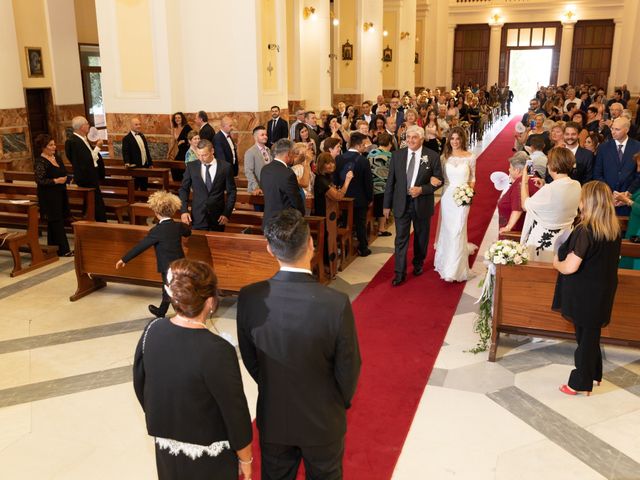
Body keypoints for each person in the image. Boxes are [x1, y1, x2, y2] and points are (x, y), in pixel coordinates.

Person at [236, 209, 361, 480]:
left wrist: (273, 383)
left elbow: (251, 359)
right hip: (323, 419)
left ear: (270, 249)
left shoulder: (249, 297)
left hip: (275, 416)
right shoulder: (335, 303)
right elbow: (348, 367)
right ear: (312, 244)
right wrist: (336, 402)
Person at [133, 259, 253, 479]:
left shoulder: (152, 330)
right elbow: (234, 412)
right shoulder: (218, 350)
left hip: (167, 446)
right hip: (210, 455)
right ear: (210, 301)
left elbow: (140, 384)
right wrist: (246, 458)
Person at [553, 181, 622, 396]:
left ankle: (580, 382)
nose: (580, 202)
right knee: (590, 334)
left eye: (582, 198)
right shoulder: (613, 228)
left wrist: (556, 262)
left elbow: (571, 266)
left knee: (586, 337)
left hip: (584, 292)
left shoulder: (586, 230)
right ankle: (594, 374)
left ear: (589, 202)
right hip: (603, 289)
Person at [383, 125, 443, 286]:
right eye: (408, 137)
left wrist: (422, 189)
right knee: (401, 239)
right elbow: (390, 182)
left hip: (422, 203)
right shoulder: (397, 156)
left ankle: (418, 263)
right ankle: (399, 273)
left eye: (414, 137)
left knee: (421, 237)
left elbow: (438, 180)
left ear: (421, 139)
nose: (410, 140)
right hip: (401, 203)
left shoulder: (432, 156)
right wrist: (386, 205)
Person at [116, 191, 191, 317]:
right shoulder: (178, 226)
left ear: (156, 212)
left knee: (170, 289)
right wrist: (187, 226)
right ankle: (162, 311)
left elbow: (141, 246)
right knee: (170, 288)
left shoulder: (156, 231)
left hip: (166, 267)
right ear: (173, 210)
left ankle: (183, 315)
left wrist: (124, 259)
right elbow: (188, 232)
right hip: (180, 264)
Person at [520, 147, 582, 261]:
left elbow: (525, 205)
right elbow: (560, 199)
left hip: (543, 243)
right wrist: (544, 186)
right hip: (565, 239)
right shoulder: (576, 184)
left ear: (552, 165)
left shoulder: (549, 190)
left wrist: (524, 180)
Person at [434, 127, 477, 282]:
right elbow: (441, 178)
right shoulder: (444, 157)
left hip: (463, 197)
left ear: (462, 140)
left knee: (458, 230)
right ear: (448, 140)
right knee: (448, 229)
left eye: (458, 138)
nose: (455, 142)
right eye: (452, 138)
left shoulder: (470, 157)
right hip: (448, 197)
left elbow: (473, 178)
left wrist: (468, 193)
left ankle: (456, 268)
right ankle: (446, 263)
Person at [179, 140, 236, 231]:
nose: (201, 158)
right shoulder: (191, 166)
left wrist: (226, 213)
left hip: (218, 217)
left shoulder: (225, 167)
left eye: (204, 155)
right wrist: (184, 211)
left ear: (212, 151)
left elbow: (232, 192)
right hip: (198, 215)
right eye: (198, 155)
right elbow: (183, 189)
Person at [334, 132, 374, 256]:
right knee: (360, 224)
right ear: (359, 145)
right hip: (359, 198)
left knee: (345, 222)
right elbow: (368, 182)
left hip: (343, 198)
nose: (365, 146)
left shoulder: (339, 158)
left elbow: (335, 179)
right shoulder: (363, 160)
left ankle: (345, 247)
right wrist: (370, 198)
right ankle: (363, 248)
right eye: (364, 144)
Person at [33, 134, 72, 257]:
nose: (54, 147)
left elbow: (63, 172)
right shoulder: (40, 162)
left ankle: (53, 247)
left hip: (60, 193)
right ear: (43, 147)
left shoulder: (57, 158)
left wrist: (66, 178)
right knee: (56, 221)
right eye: (51, 145)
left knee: (55, 222)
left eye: (54, 144)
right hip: (48, 196)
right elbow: (40, 180)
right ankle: (64, 250)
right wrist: (55, 181)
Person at [593, 117, 640, 215]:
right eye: (612, 128)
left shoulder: (637, 147)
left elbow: (638, 175)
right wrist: (610, 193)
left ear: (627, 130)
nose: (613, 132)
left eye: (617, 129)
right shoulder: (603, 148)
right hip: (606, 200)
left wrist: (628, 193)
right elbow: (597, 173)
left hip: (628, 201)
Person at [65, 115, 107, 222]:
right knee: (95, 202)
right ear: (81, 127)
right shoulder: (75, 142)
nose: (89, 126)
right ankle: (98, 224)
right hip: (86, 176)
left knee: (92, 202)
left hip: (90, 175)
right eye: (87, 124)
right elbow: (87, 161)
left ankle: (92, 221)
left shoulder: (82, 139)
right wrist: (98, 147)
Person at [260, 138, 305, 228]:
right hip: (283, 224)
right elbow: (295, 200)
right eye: (293, 154)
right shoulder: (288, 174)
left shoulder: (265, 169)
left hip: (268, 221)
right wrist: (301, 214)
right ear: (288, 154)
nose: (294, 157)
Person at [498, 152, 539, 234]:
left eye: (510, 168)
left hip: (516, 231)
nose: (509, 170)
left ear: (517, 170)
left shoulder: (520, 183)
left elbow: (517, 208)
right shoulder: (534, 176)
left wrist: (508, 227)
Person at [368, 132, 393, 236]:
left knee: (375, 207)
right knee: (384, 207)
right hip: (384, 186)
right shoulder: (390, 156)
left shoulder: (371, 153)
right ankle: (381, 229)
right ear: (390, 143)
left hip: (371, 185)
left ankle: (372, 226)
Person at [618, 152, 640, 270]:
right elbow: (635, 195)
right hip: (634, 227)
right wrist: (624, 197)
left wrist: (628, 201)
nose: (637, 170)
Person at [122, 117, 153, 190]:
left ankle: (143, 200)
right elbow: (125, 152)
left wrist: (150, 163)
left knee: (144, 185)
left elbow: (146, 150)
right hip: (135, 166)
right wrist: (127, 162)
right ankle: (135, 200)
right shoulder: (127, 138)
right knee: (135, 185)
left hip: (144, 165)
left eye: (139, 124)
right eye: (136, 124)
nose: (138, 126)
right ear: (131, 126)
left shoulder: (142, 135)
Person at [243, 126, 271, 196]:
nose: (265, 137)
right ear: (255, 137)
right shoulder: (250, 152)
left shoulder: (268, 150)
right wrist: (256, 187)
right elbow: (248, 172)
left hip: (269, 188)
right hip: (257, 190)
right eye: (262, 135)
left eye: (266, 135)